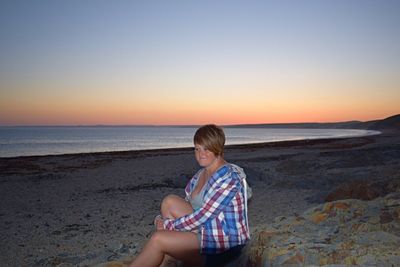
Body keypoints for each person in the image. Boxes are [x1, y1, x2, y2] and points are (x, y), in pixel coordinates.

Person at [129, 124, 250, 267]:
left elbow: (204, 215)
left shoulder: (229, 177)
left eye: (206, 148)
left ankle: (168, 253)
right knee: (169, 202)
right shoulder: (201, 174)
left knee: (158, 239)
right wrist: (162, 221)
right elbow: (187, 204)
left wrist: (168, 225)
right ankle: (169, 255)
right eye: (197, 148)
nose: (200, 154)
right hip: (206, 230)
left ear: (218, 148)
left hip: (224, 244)